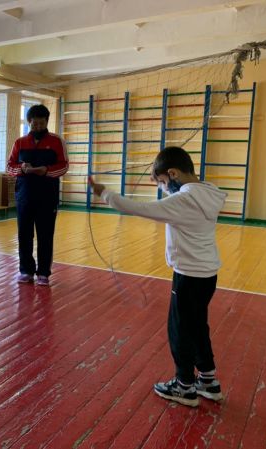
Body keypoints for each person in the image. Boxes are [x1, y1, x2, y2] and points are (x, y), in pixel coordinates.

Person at [89, 146, 227, 407]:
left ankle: (184, 386)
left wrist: (103, 192)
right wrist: (162, 179)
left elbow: (139, 208)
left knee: (180, 329)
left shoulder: (184, 201)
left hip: (188, 276)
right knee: (198, 325)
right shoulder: (206, 192)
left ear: (173, 174)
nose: (163, 187)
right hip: (207, 275)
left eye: (163, 182)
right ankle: (208, 381)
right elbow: (173, 196)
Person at [6, 104, 69, 286]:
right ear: (29, 122)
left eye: (41, 123)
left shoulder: (57, 141)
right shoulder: (19, 142)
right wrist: (21, 168)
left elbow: (64, 166)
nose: (38, 127)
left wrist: (46, 170)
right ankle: (26, 271)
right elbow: (9, 166)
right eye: (35, 124)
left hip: (47, 198)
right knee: (24, 235)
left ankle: (43, 273)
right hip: (24, 197)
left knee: (45, 235)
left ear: (47, 122)